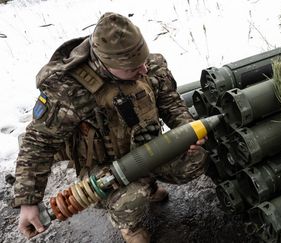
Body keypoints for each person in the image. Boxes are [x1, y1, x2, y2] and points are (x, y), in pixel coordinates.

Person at [14, 12, 207, 243]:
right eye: (133, 67)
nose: (144, 69)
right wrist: (28, 201)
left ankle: (149, 184)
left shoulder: (150, 66)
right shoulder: (69, 91)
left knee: (195, 161)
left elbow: (171, 104)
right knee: (131, 199)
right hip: (104, 168)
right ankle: (130, 226)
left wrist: (187, 131)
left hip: (149, 149)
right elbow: (39, 142)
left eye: (143, 61)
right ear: (106, 65)